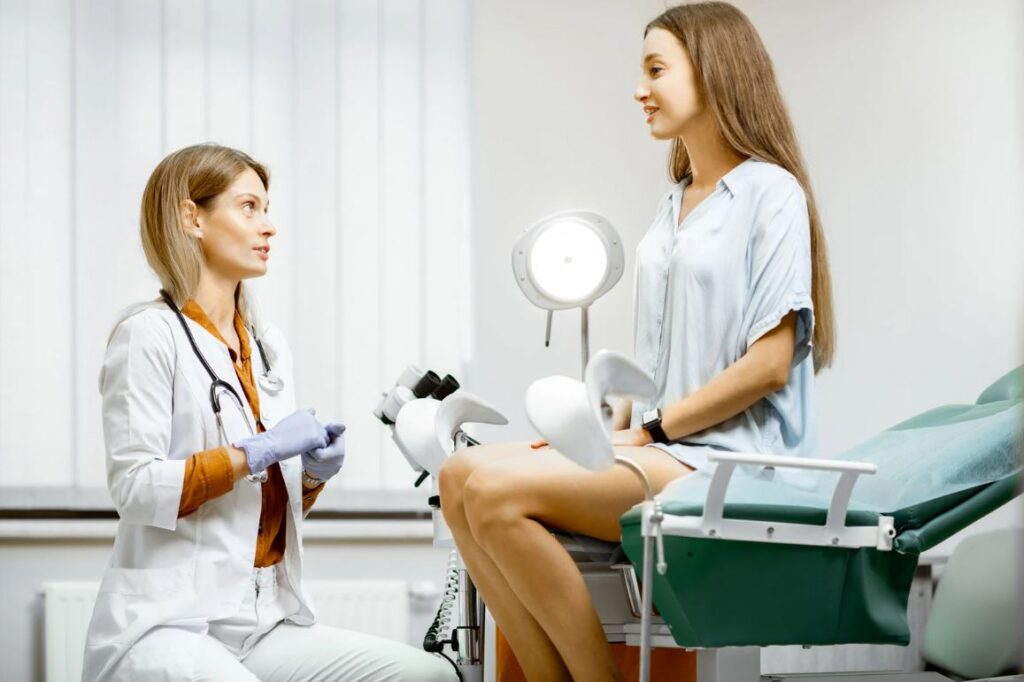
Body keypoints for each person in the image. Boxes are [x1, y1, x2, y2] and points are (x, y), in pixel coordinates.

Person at [438, 3, 836, 680]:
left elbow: (770, 365)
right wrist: (603, 434)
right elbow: (650, 364)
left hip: (729, 464)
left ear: (713, 74)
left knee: (497, 494)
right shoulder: (675, 200)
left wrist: (646, 433)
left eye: (656, 69)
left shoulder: (772, 194)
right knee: (458, 476)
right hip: (662, 447)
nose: (639, 88)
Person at [82, 144, 455, 682]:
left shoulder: (266, 344)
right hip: (171, 622)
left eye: (266, 208)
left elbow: (263, 499)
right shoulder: (148, 334)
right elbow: (136, 489)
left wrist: (310, 477)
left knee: (430, 676)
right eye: (249, 207)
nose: (269, 226)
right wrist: (254, 451)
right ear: (193, 218)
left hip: (262, 615)